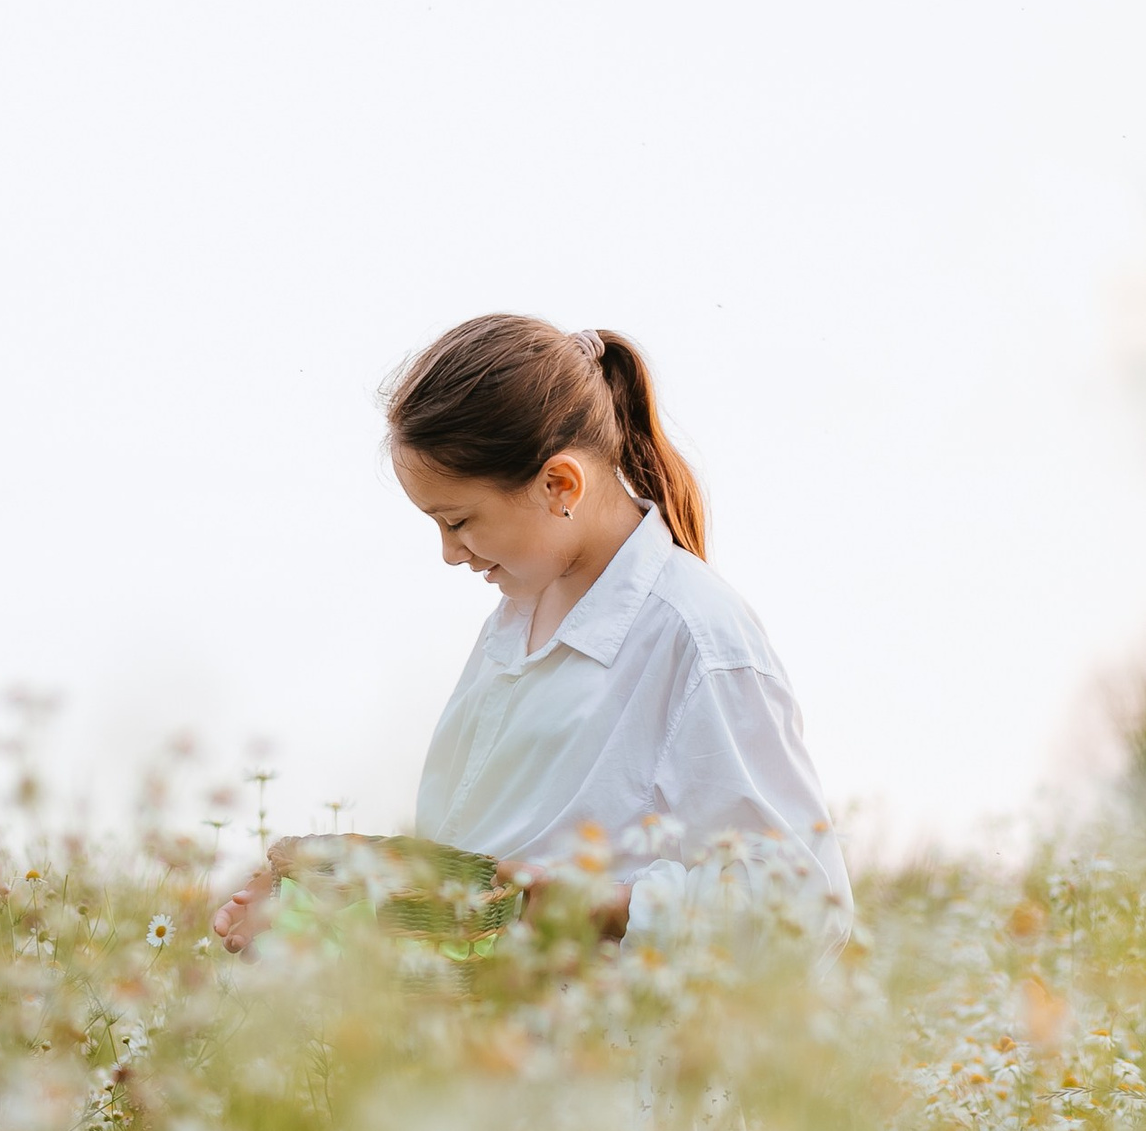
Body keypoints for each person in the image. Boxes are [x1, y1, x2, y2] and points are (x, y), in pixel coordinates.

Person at [215, 314, 849, 952]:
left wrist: (590, 908)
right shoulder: (515, 621)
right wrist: (315, 908)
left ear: (560, 485)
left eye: (459, 520)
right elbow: (476, 871)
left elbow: (801, 905)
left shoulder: (699, 639)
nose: (449, 553)